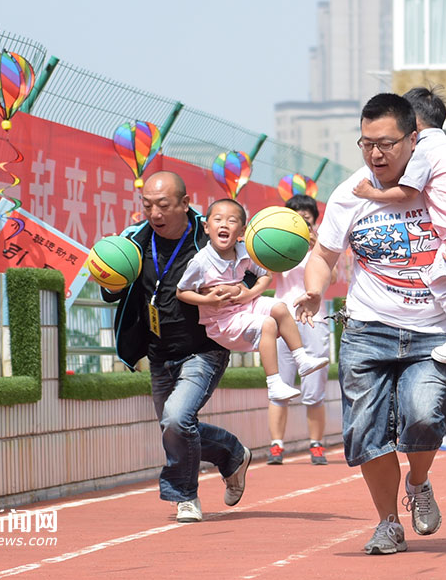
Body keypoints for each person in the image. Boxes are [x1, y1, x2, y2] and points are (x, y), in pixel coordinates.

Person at [295, 93, 446, 555]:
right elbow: (324, 255)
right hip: (369, 329)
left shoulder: (440, 178)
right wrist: (314, 288)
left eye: (386, 143)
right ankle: (388, 523)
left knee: (425, 415)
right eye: (366, 143)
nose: (375, 154)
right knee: (365, 431)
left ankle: (421, 480)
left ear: (414, 138)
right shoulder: (350, 193)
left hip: (434, 331)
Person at [101, 172, 252, 524]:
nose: (154, 213)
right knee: (176, 427)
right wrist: (107, 278)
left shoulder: (210, 233)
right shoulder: (134, 241)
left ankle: (184, 496)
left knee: (176, 419)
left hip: (205, 347)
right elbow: (113, 290)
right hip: (159, 351)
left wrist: (236, 293)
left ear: (185, 204)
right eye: (147, 205)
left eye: (163, 205)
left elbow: (249, 270)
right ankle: (232, 453)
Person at [352, 86, 446, 366]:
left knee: (440, 280)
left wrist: (372, 193)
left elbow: (407, 193)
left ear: (412, 127)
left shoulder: (424, 152)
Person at [176, 198, 328, 404]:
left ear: (242, 231)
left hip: (245, 305)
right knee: (267, 324)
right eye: (218, 219)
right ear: (206, 227)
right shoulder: (201, 262)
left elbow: (265, 276)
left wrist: (248, 293)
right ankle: (274, 384)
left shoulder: (244, 251)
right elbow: (182, 292)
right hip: (221, 320)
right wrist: (207, 300)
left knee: (280, 307)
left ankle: (302, 360)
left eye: (231, 221)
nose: (224, 224)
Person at [265, 194, 332, 465]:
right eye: (297, 215)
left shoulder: (322, 245)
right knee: (279, 383)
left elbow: (334, 276)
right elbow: (267, 271)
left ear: (315, 220)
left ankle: (316, 445)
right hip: (283, 317)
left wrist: (318, 250)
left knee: (314, 387)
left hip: (315, 319)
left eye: (307, 216)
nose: (303, 220)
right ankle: (276, 445)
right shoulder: (281, 244)